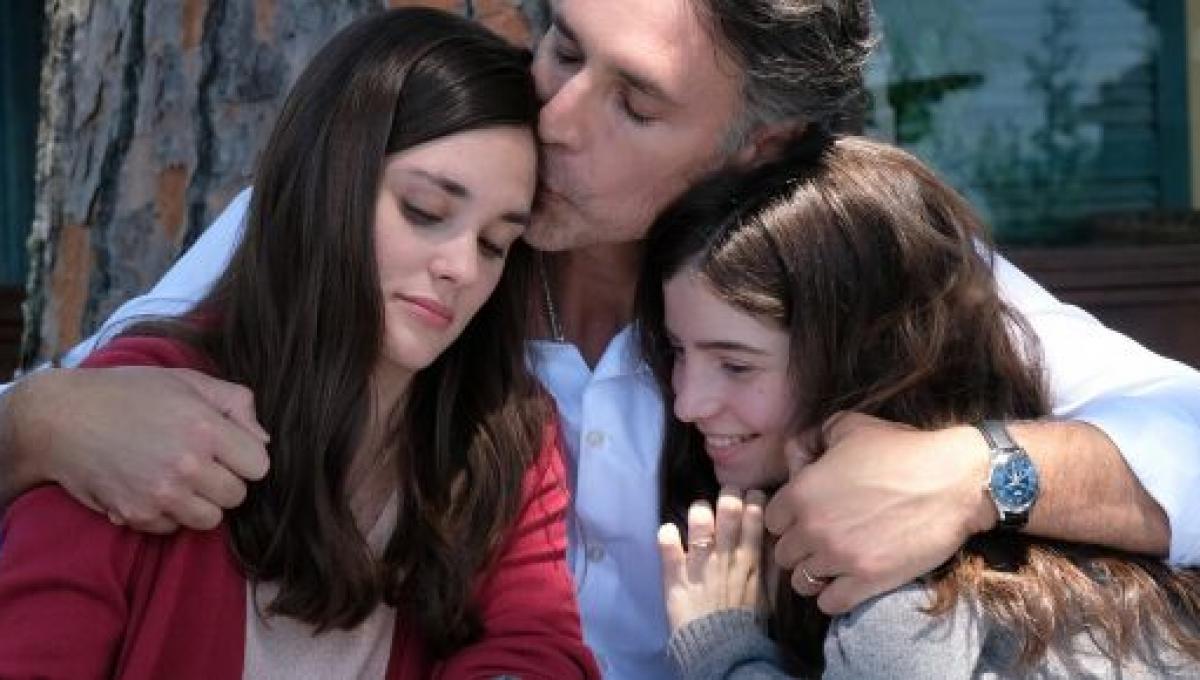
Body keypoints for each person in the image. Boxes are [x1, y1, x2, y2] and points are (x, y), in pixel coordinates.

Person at [1, 1, 1198, 677]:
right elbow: (97, 419)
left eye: (634, 100)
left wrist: (978, 471)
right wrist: (36, 422)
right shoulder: (388, 202)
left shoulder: (837, 241)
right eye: (564, 46)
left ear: (755, 146)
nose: (556, 115)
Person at [0, 9, 598, 679]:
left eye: (495, 243)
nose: (462, 267)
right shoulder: (129, 418)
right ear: (329, 181)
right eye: (425, 211)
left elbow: (534, 643)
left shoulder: (504, 434)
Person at [641, 134, 1200, 679]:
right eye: (677, 351)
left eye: (736, 365)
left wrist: (721, 645)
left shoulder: (901, 581)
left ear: (862, 360)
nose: (687, 402)